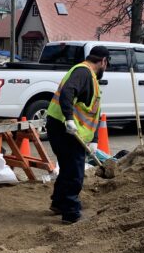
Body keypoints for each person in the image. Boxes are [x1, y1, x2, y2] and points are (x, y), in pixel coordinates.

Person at [45, 45, 110, 225]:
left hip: (64, 127)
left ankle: (58, 203)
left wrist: (95, 140)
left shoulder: (90, 77)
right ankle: (71, 213)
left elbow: (94, 112)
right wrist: (69, 119)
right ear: (103, 61)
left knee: (67, 167)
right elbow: (67, 92)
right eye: (107, 65)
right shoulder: (83, 72)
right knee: (75, 172)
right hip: (63, 127)